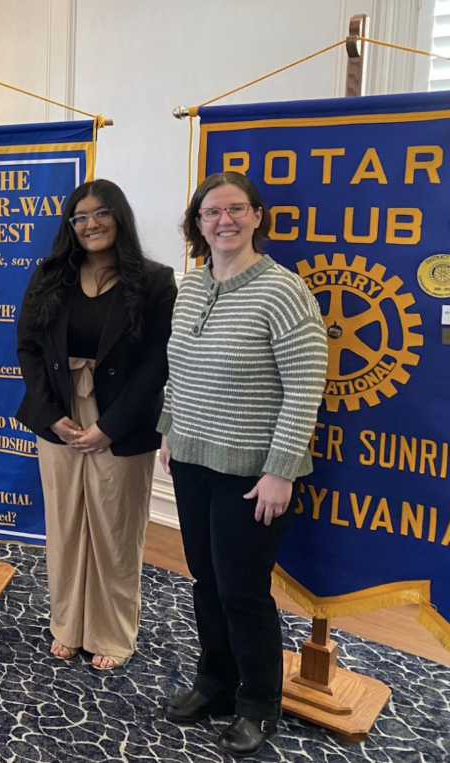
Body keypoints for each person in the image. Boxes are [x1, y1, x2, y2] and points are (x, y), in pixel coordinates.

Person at [158, 172, 327, 757]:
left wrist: (281, 469)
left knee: (243, 592)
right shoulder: (189, 288)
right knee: (206, 582)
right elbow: (175, 368)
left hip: (254, 474)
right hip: (193, 461)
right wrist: (168, 432)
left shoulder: (283, 290)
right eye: (210, 212)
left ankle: (260, 702)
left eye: (235, 210)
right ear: (197, 223)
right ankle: (215, 685)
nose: (223, 221)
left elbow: (306, 386)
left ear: (257, 216)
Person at [16, 179, 177, 670]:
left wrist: (110, 425)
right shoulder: (48, 275)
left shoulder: (154, 280)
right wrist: (50, 414)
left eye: (101, 213)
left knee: (114, 528)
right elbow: (28, 348)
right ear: (71, 226)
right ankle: (67, 624)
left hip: (121, 418)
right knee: (65, 524)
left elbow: (157, 362)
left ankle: (111, 632)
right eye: (80, 216)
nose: (91, 224)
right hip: (61, 415)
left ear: (119, 217)